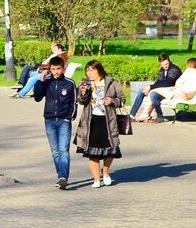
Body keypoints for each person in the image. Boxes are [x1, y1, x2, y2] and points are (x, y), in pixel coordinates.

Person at [75, 60, 125, 189]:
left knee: (110, 149)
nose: (89, 73)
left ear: (99, 70)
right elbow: (80, 101)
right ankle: (96, 179)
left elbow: (122, 99)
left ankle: (105, 172)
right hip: (91, 121)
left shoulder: (111, 83)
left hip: (108, 120)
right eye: (87, 70)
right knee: (92, 152)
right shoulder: (85, 83)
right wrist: (83, 93)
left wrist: (113, 100)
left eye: (92, 70)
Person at [32, 56, 77, 190]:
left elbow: (73, 102)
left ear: (63, 69)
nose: (56, 72)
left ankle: (63, 176)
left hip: (64, 120)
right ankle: (60, 175)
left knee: (64, 149)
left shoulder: (69, 83)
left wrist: (69, 117)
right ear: (50, 69)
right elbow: (37, 98)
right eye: (53, 69)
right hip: (50, 119)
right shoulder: (47, 82)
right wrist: (41, 81)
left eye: (58, 69)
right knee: (55, 151)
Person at [136, 57, 196, 123]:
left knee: (153, 92)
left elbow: (178, 82)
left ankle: (146, 114)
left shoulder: (189, 70)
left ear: (189, 64)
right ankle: (147, 114)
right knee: (154, 93)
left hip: (181, 94)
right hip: (186, 94)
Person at [129, 53, 183, 120]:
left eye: (167, 64)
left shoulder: (174, 70)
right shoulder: (162, 69)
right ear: (160, 63)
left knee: (153, 94)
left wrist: (151, 87)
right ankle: (131, 115)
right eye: (163, 65)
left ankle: (159, 116)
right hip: (162, 90)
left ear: (169, 61)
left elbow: (167, 84)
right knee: (141, 91)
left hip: (171, 92)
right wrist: (149, 88)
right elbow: (159, 82)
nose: (166, 66)